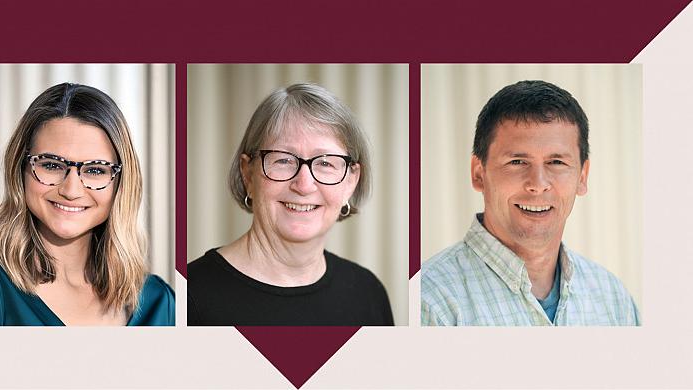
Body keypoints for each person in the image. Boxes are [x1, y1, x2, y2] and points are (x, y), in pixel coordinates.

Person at [421, 80, 639, 326]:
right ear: (478, 173)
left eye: (556, 162)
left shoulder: (614, 299)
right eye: (517, 162)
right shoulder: (429, 301)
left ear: (582, 176)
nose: (538, 183)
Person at [0, 83, 175, 326]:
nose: (71, 191)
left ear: (121, 183)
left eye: (95, 170)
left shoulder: (160, 303)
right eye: (51, 165)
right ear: (20, 168)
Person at [188, 83, 393, 326]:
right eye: (284, 160)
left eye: (325, 163)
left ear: (351, 180)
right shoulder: (190, 296)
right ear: (248, 174)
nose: (304, 185)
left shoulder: (368, 294)